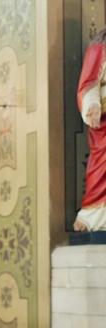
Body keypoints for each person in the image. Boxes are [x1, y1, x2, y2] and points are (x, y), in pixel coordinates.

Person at [76, 28, 106, 231]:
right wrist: (93, 104)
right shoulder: (99, 49)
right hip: (104, 123)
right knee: (101, 166)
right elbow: (87, 85)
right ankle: (91, 217)